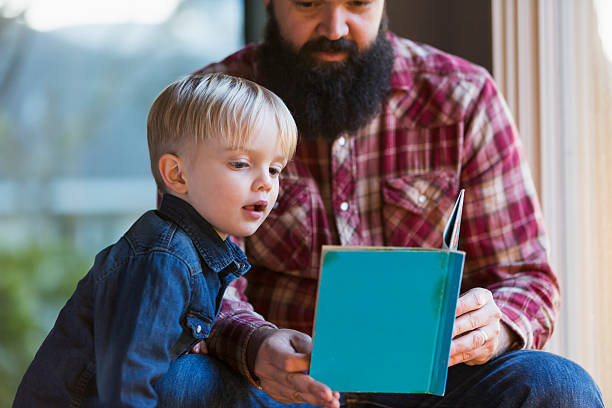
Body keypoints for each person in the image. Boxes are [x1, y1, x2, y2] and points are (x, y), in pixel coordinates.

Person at [153, 1, 605, 407]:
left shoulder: (465, 98)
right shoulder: (211, 108)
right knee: (176, 385)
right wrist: (254, 344)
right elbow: (193, 279)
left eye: (358, 3)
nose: (334, 27)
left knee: (558, 384)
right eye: (308, 3)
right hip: (273, 387)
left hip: (435, 389)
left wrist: (494, 326)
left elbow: (526, 275)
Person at [12, 73, 300, 407]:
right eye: (241, 163)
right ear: (177, 175)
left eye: (275, 169)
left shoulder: (193, 249)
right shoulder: (164, 258)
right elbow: (127, 385)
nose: (266, 183)